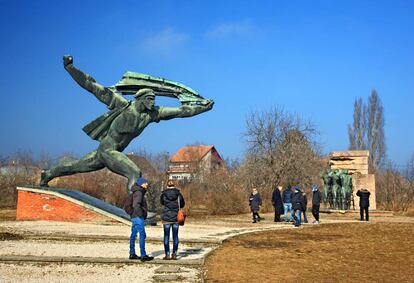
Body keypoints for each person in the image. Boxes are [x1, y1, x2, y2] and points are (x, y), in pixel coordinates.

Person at [40, 55, 214, 192]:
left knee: (74, 166)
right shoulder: (122, 105)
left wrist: (203, 108)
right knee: (134, 173)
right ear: (140, 98)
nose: (153, 102)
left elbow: (181, 111)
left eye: (154, 99)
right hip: (108, 150)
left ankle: (47, 174)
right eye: (149, 99)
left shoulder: (151, 114)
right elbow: (91, 85)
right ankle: (136, 211)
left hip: (111, 152)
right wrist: (70, 68)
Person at [129, 177, 154, 261]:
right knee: (142, 235)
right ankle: (143, 255)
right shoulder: (139, 192)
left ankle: (132, 253)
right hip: (138, 217)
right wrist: (141, 214)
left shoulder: (136, 191)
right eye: (145, 182)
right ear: (141, 184)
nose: (147, 184)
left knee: (133, 235)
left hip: (134, 216)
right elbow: (136, 205)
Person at [160, 180, 185, 260]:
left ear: (167, 185)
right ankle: (174, 254)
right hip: (175, 218)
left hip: (166, 218)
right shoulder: (178, 194)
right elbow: (182, 204)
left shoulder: (163, 194)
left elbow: (162, 203)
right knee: (175, 237)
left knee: (166, 236)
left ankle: (167, 254)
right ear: (174, 185)